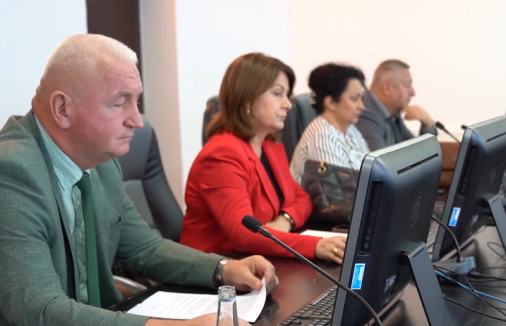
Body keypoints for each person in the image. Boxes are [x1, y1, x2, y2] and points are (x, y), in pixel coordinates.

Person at [0, 34, 275, 326]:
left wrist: (223, 269)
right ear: (63, 109)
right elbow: (39, 313)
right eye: (119, 103)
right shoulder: (2, 174)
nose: (136, 120)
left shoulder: (99, 162)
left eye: (136, 101)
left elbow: (144, 248)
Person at [181, 53, 347, 264]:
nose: (288, 104)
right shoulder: (221, 155)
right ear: (247, 98)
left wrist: (285, 220)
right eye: (278, 94)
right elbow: (243, 234)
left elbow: (302, 198)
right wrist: (315, 246)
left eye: (287, 95)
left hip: (258, 261)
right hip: (217, 268)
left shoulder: (268, 145)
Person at [290, 63, 369, 183]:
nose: (361, 106)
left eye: (361, 98)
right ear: (331, 103)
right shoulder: (322, 138)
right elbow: (338, 191)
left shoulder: (350, 129)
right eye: (354, 99)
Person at [357, 59, 438, 151]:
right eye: (407, 85)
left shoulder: (392, 113)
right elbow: (381, 160)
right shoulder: (365, 115)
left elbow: (416, 153)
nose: (413, 93)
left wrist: (428, 126)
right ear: (387, 88)